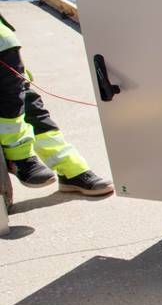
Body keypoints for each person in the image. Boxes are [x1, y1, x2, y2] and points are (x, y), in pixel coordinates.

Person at [0, 12, 113, 196]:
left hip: (4, 49)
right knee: (13, 103)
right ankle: (20, 159)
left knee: (28, 106)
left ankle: (69, 170)